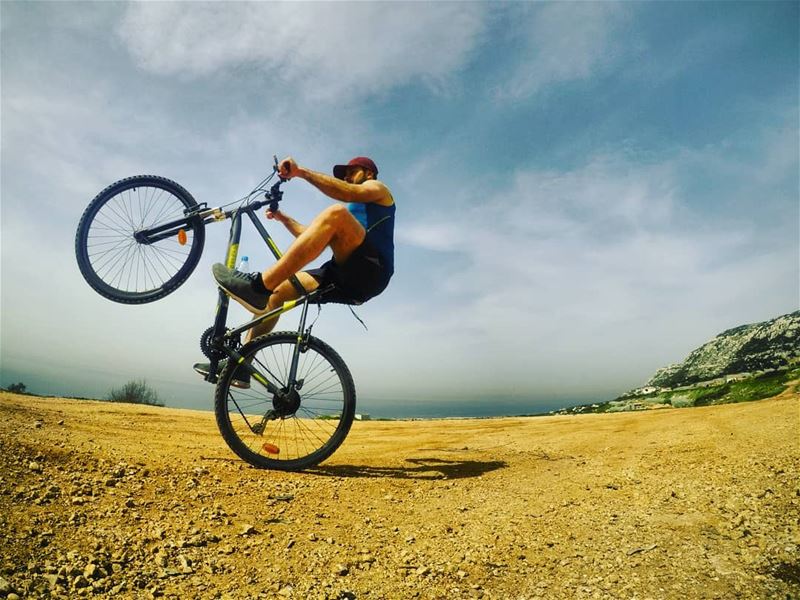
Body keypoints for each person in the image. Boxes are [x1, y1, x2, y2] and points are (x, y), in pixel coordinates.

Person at [193, 156, 396, 388]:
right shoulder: (350, 216)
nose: (347, 177)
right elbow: (306, 235)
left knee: (336, 214)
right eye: (345, 174)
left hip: (373, 269)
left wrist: (301, 173)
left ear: (369, 173)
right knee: (277, 293)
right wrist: (282, 218)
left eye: (352, 171)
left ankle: (258, 286)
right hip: (343, 273)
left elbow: (348, 193)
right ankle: (241, 367)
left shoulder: (379, 189)